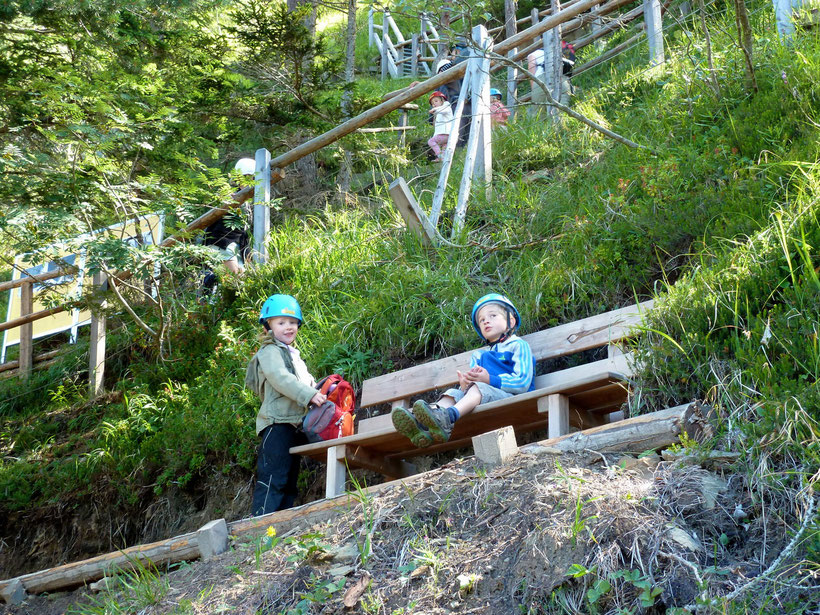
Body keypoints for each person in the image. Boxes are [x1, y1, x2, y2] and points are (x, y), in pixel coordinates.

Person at [391, 294, 535, 447]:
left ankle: (448, 417)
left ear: (511, 321)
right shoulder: (478, 355)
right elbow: (470, 391)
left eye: (492, 315)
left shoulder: (518, 345)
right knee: (453, 393)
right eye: (482, 320)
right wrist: (465, 385)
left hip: (512, 396)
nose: (486, 320)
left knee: (479, 387)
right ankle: (423, 422)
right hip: (483, 394)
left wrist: (488, 380)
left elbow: (523, 382)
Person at [245, 294, 327, 516]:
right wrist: (309, 395)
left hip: (294, 424)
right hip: (277, 424)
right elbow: (280, 378)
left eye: (293, 322)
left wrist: (321, 390)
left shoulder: (293, 355)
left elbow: (305, 381)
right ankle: (260, 528)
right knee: (273, 478)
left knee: (290, 480)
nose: (288, 327)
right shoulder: (270, 351)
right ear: (267, 327)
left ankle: (280, 528)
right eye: (281, 322)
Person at [200, 158, 254, 297]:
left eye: (253, 178)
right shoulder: (230, 194)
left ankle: (211, 284)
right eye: (247, 177)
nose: (250, 181)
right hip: (221, 243)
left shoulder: (248, 202)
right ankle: (208, 284)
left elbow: (243, 231)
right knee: (236, 279)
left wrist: (247, 253)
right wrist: (227, 199)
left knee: (243, 281)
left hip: (236, 246)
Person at [427, 90, 454, 162]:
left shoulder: (446, 107)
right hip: (446, 134)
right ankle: (443, 159)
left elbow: (443, 110)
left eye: (436, 101)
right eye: (432, 103)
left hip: (445, 133)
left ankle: (440, 156)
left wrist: (434, 109)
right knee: (444, 147)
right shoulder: (438, 112)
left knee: (431, 141)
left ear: (442, 101)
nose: (434, 104)